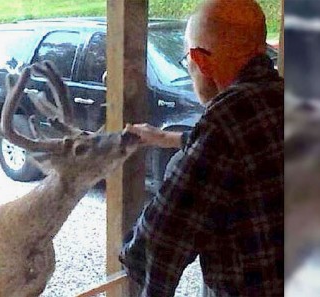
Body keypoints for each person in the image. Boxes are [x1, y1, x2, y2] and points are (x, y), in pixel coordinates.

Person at [120, 0, 284, 296]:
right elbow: (249, 152)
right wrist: (169, 138)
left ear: (202, 61)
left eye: (187, 63)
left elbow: (160, 238)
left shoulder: (225, 120)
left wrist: (131, 253)